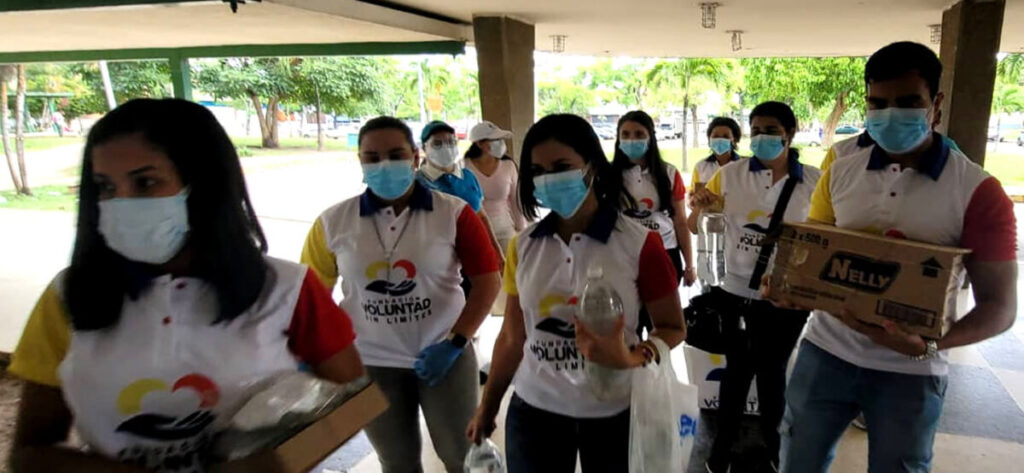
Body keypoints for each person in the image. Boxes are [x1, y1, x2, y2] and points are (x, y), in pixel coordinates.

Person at [7, 99, 365, 473]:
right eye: (105, 187)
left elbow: (350, 408)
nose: (120, 203)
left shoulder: (286, 290)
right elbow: (29, 453)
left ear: (203, 187)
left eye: (145, 183)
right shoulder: (70, 296)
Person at [774, 41, 1017, 473]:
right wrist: (792, 289)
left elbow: (1000, 308)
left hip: (912, 372)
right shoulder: (840, 173)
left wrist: (930, 346)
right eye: (878, 104)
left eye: (908, 103)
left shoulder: (978, 191)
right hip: (825, 351)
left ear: (936, 104)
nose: (890, 115)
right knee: (798, 461)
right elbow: (814, 255)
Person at [465, 114, 687, 473]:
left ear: (592, 167)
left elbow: (673, 327)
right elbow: (512, 337)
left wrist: (632, 356)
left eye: (561, 167)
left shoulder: (641, 244)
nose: (548, 178)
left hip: (615, 411)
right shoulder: (523, 246)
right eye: (538, 170)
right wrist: (487, 406)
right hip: (535, 410)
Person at [301, 116, 501, 473]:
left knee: (462, 455)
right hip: (372, 363)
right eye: (372, 157)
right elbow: (311, 298)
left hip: (446, 354)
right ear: (360, 161)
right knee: (397, 462)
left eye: (395, 155)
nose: (384, 165)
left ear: (414, 157)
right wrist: (318, 352)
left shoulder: (453, 213)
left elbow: (488, 281)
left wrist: (456, 341)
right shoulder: (333, 223)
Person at [688, 102, 822, 473]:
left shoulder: (814, 181)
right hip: (734, 292)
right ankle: (721, 452)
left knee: (772, 373)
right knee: (736, 372)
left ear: (790, 133)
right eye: (757, 130)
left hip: (785, 298)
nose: (762, 137)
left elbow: (827, 239)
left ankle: (773, 450)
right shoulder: (729, 174)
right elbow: (695, 223)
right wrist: (701, 206)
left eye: (771, 130)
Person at [416, 120, 505, 269]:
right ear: (424, 148)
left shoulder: (468, 176)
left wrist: (496, 250)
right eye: (437, 144)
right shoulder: (417, 183)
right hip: (438, 262)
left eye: (451, 142)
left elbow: (481, 216)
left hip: (474, 254)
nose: (446, 148)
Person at [465, 121, 528, 315]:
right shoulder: (464, 167)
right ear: (480, 144)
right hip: (475, 229)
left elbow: (516, 200)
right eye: (496, 140)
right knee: (484, 277)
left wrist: (521, 230)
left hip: (505, 227)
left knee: (512, 275)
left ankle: (510, 314)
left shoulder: (508, 166)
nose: (501, 144)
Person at [692, 116, 743, 191]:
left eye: (725, 136)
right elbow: (694, 193)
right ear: (709, 139)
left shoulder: (743, 167)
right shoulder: (700, 167)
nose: (720, 140)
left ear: (734, 140)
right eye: (715, 136)